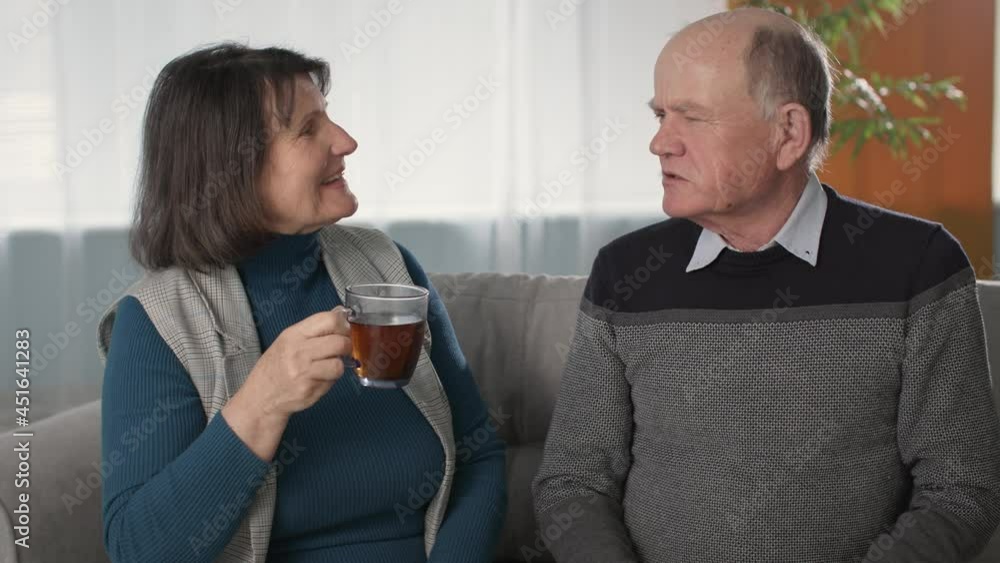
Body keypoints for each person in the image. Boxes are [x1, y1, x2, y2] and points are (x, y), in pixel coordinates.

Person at [532, 8, 1000, 563]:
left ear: (788, 133)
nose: (659, 143)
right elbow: (572, 481)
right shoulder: (624, 271)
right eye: (660, 115)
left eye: (692, 117)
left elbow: (962, 490)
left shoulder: (919, 265)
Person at [96, 43, 506, 563]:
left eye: (328, 117)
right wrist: (262, 402)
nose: (346, 141)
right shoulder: (157, 320)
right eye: (309, 129)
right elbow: (138, 549)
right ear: (233, 168)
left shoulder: (384, 264)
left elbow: (477, 454)